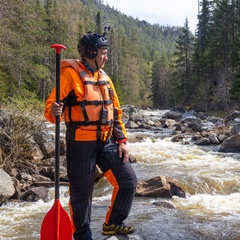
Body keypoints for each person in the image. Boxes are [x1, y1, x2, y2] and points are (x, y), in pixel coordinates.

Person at [44, 31, 137, 240]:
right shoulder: (70, 75)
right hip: (80, 143)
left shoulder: (105, 77)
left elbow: (116, 112)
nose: (106, 57)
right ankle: (82, 235)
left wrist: (121, 141)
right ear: (91, 52)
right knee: (81, 195)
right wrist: (54, 111)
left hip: (106, 141)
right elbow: (51, 106)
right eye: (103, 53)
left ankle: (112, 224)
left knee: (128, 181)